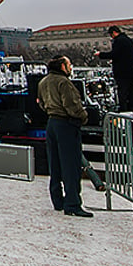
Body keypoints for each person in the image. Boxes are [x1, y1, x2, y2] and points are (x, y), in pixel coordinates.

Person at [36, 55, 92, 217]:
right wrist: (83, 117)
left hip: (52, 122)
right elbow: (72, 105)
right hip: (66, 124)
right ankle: (73, 203)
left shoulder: (43, 82)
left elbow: (41, 103)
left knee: (55, 164)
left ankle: (57, 200)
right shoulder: (64, 82)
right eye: (69, 64)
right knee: (71, 165)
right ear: (62, 66)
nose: (71, 67)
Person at [95, 25, 133, 112]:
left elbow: (114, 54)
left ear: (114, 33)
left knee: (123, 91)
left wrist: (101, 54)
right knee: (132, 91)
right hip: (132, 70)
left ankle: (124, 109)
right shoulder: (129, 40)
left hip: (122, 72)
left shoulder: (118, 41)